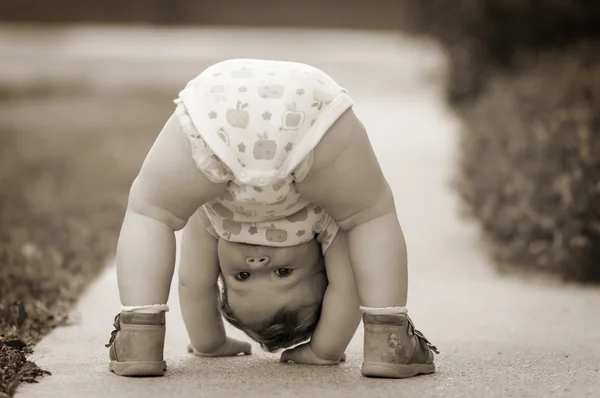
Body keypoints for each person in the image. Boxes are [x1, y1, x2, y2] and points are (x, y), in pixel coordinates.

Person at [105, 58, 439, 379]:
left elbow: (195, 283)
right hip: (302, 115)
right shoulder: (321, 223)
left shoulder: (212, 220)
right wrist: (323, 351)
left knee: (150, 211)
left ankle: (140, 336)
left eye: (242, 275)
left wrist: (210, 343)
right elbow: (348, 285)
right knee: (369, 214)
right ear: (322, 266)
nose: (257, 259)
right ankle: (389, 339)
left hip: (223, 105)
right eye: (282, 272)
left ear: (220, 271)